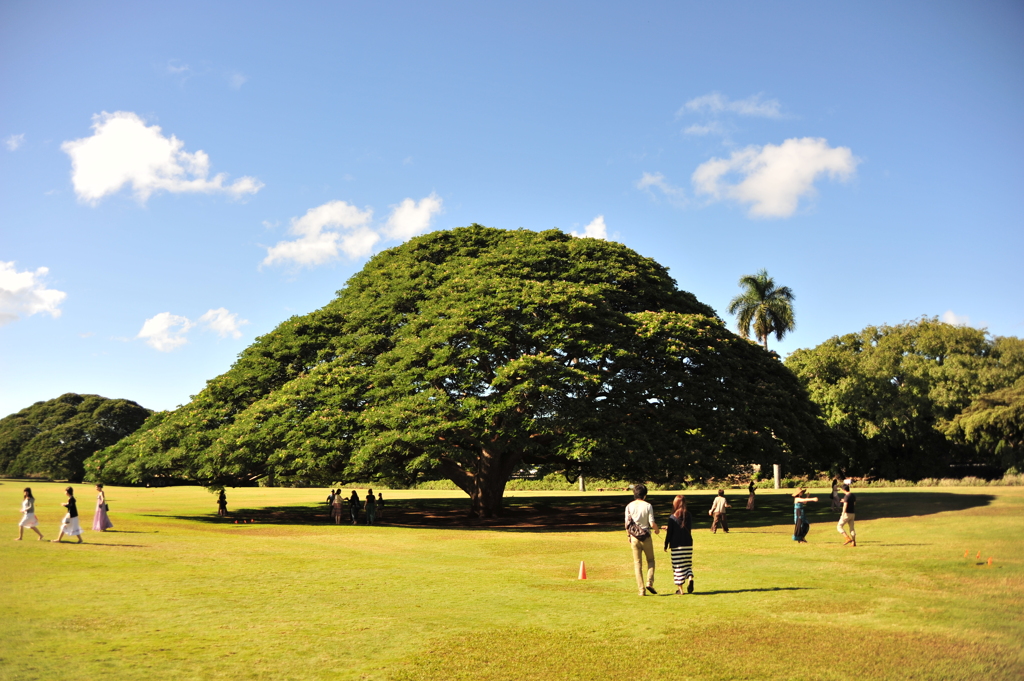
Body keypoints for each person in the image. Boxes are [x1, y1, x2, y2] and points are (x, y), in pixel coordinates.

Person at [624, 484, 660, 596]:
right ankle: (649, 582)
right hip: (646, 536)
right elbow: (651, 523)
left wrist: (628, 536)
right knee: (651, 560)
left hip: (634, 536)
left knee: (637, 564)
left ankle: (641, 590)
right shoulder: (648, 505)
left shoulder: (629, 506)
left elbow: (627, 524)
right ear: (645, 495)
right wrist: (657, 530)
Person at [663, 494, 694, 594]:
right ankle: (690, 578)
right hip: (688, 544)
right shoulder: (688, 515)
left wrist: (666, 544)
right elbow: (684, 528)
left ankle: (680, 590)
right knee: (687, 564)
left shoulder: (673, 517)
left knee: (678, 566)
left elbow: (670, 533)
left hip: (677, 545)